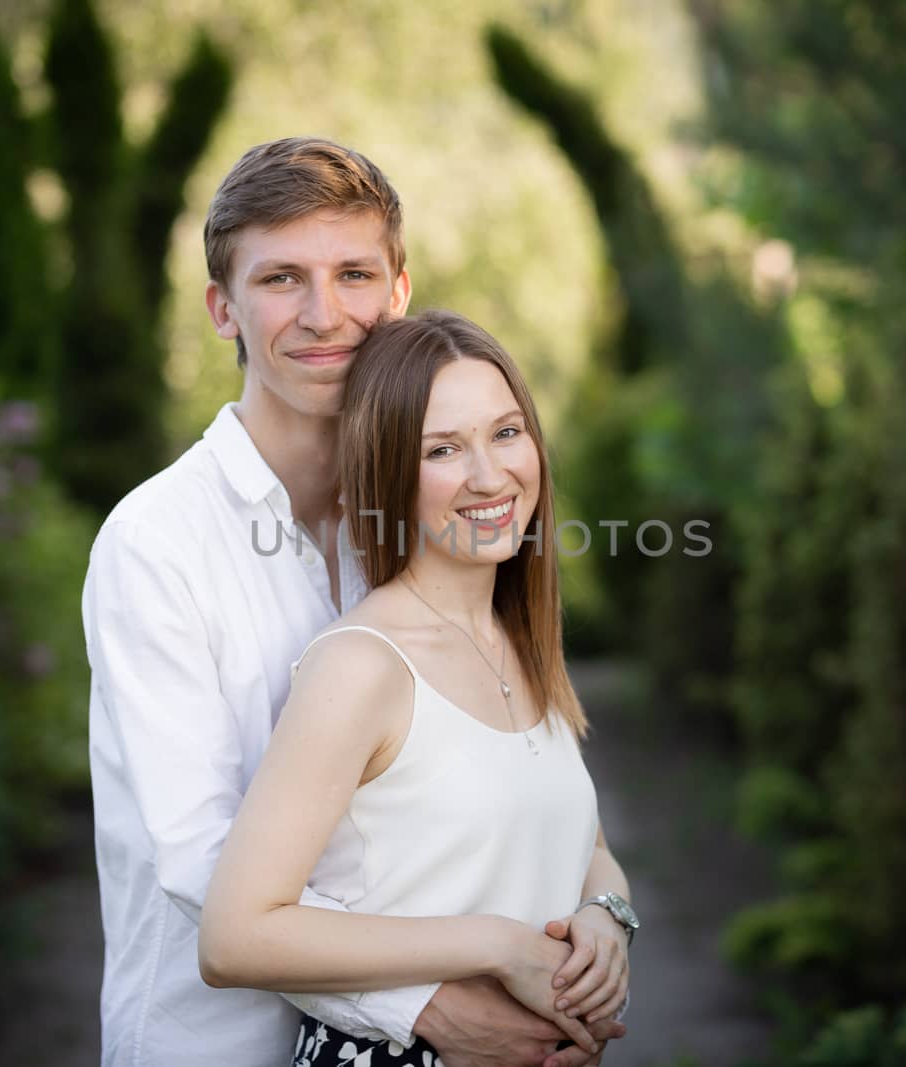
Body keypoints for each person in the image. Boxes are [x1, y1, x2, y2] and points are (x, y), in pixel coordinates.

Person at [82, 137, 629, 1067]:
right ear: (224, 309)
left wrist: (602, 913)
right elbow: (201, 868)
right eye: (282, 279)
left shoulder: (430, 522)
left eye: (354, 274)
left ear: (399, 293)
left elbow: (516, 791)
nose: (324, 314)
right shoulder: (156, 543)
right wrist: (424, 1002)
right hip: (213, 1045)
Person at [198, 309, 638, 1067]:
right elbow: (235, 934)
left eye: (506, 432)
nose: (490, 475)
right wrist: (498, 945)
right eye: (444, 449)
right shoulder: (362, 666)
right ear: (392, 471)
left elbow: (580, 838)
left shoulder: (517, 638)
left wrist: (605, 916)